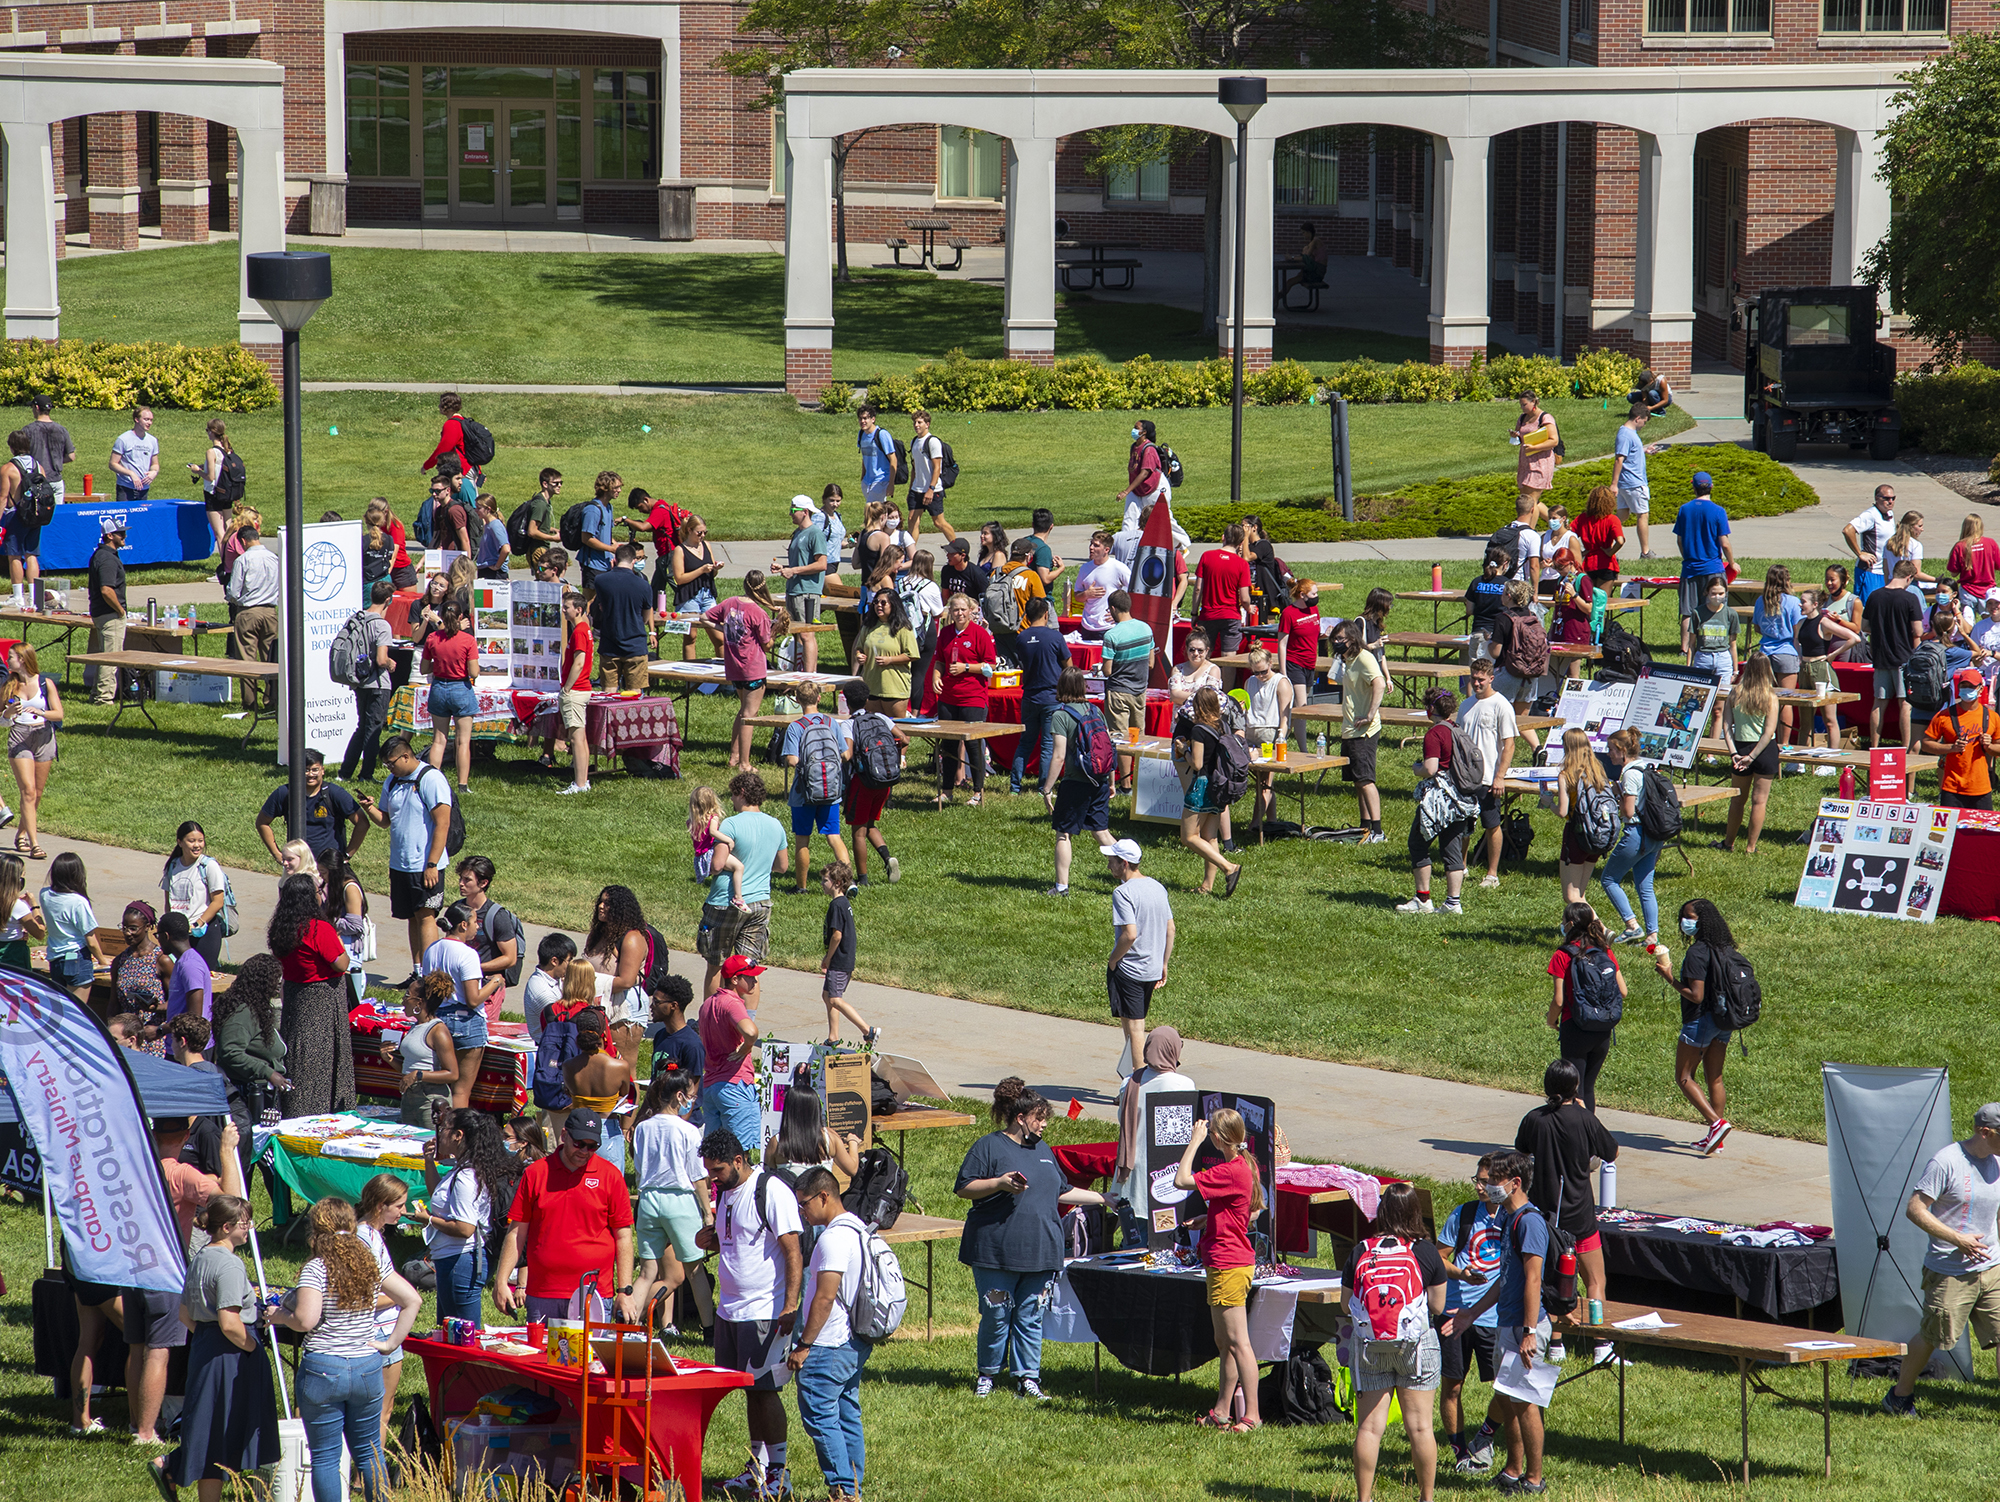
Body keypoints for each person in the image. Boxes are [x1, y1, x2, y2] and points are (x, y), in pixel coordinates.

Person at [955, 1079, 1101, 1400]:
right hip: (996, 1249)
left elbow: (1062, 1190)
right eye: (1040, 1117)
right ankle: (988, 1375)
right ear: (1020, 1118)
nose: (1045, 1123)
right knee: (997, 1313)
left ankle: (1027, 1379)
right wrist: (1000, 1183)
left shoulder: (1044, 1150)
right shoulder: (989, 1146)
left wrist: (1104, 1198)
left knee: (1031, 1314)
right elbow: (964, 1187)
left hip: (1041, 1249)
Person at [271, 1198, 419, 1502]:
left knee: (325, 1456)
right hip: (366, 1364)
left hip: (324, 1366)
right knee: (370, 1451)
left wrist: (278, 1316)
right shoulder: (369, 1261)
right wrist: (390, 1343)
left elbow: (305, 1320)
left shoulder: (316, 1267)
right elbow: (412, 1300)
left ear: (317, 1229)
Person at [147, 1195, 278, 1502]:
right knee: (227, 1427)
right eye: (245, 1223)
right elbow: (230, 1322)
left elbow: (184, 1315)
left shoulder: (201, 1257)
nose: (249, 1229)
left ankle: (190, 1481)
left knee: (212, 1427)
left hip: (205, 1347)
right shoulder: (229, 1264)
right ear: (227, 1226)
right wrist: (253, 1349)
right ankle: (171, 1463)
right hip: (231, 1352)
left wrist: (208, 1337)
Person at [697, 1126, 804, 1498]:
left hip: (765, 1311)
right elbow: (735, 1242)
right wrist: (707, 1238)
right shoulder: (726, 1192)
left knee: (765, 1391)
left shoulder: (770, 1190)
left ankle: (779, 1472)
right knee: (747, 1389)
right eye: (710, 1171)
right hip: (730, 1311)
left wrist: (790, 1306)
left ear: (739, 1161)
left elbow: (793, 1250)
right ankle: (756, 1467)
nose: (713, 1178)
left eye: (718, 1170)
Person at [1881, 1103, 2000, 1417]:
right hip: (1950, 1271)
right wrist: (1957, 1239)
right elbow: (1915, 1209)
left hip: (1992, 1267)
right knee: (1933, 1336)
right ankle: (1898, 1397)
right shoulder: (1946, 1162)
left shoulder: (1998, 1162)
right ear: (1984, 1132)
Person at [1344, 1180, 1447, 1496]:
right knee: (1420, 1428)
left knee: (1370, 1428)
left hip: (1369, 1347)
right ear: (1416, 1212)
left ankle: (1364, 1497)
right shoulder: (1426, 1252)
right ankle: (1426, 1497)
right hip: (1416, 1348)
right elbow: (1438, 1306)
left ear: (1382, 1212)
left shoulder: (1361, 1250)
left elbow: (1345, 1302)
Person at [494, 1107, 637, 1323]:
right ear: (563, 1136)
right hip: (543, 1292)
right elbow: (517, 1232)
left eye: (592, 1146)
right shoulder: (536, 1173)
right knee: (541, 1357)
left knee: (589, 1357)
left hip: (594, 1295)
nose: (584, 1151)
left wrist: (624, 1291)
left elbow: (623, 1236)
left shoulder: (611, 1177)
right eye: (579, 1143)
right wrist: (501, 1280)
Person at [1516, 1059, 1618, 1355]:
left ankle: (1556, 1343)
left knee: (1554, 1279)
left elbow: (1521, 1153)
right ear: (1576, 1087)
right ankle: (1601, 1342)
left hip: (1546, 1217)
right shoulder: (1585, 1119)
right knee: (1595, 1281)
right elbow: (1612, 1152)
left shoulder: (1534, 1119)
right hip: (1581, 1216)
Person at [786, 1166, 876, 1502]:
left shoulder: (834, 1238)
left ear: (824, 1196)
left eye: (805, 1204)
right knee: (847, 1410)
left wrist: (804, 1344)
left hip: (829, 1342)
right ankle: (852, 1485)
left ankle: (843, 1489)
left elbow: (824, 1298)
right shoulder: (857, 1228)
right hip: (852, 1340)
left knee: (819, 1412)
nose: (802, 1212)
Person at [1174, 1111, 1265, 1435]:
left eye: (1210, 1131)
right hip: (1225, 1260)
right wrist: (1208, 1219)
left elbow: (1181, 1180)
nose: (1207, 1134)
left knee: (1239, 1343)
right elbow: (1244, 1209)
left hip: (1229, 1264)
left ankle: (1252, 1415)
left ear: (1219, 1137)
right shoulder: (1244, 1165)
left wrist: (1194, 1142)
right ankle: (1222, 1411)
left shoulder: (1231, 1169)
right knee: (1224, 1341)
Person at [1437, 1154, 1509, 1475]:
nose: (1479, 1187)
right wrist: (1461, 1274)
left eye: (1485, 1181)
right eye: (1476, 1180)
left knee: (1506, 1387)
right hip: (1456, 1312)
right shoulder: (1464, 1214)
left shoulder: (1513, 1218)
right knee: (1452, 1386)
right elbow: (1438, 1259)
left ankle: (1485, 1436)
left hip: (1496, 1318)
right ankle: (1459, 1452)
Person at [1652, 898, 1740, 1155]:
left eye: (1689, 917)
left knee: (1684, 1076)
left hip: (1701, 1021)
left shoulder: (1696, 953)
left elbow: (1695, 995)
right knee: (1715, 1077)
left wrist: (1670, 979)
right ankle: (1716, 1139)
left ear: (1703, 921)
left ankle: (1717, 1124)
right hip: (1725, 1020)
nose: (1685, 921)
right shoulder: (1727, 949)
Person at [360, 737, 454, 972]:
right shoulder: (392, 781)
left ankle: (432, 976)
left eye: (391, 763)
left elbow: (442, 824)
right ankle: (418, 971)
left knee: (425, 916)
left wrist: (432, 864)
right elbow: (385, 821)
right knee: (413, 917)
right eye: (386, 765)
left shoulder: (431, 779)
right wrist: (369, 808)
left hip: (425, 865)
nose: (389, 769)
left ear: (406, 756)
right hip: (401, 864)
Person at [631, 1065, 712, 1335]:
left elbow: (640, 1167)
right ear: (679, 1096)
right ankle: (710, 1329)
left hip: (649, 1199)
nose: (691, 1099)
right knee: (695, 1270)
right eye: (688, 1094)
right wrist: (707, 1212)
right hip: (679, 1200)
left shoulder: (643, 1127)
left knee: (647, 1271)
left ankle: (629, 1324)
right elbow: (697, 1175)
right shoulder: (688, 1131)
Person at [271, 873, 355, 1117]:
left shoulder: (281, 929)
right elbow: (341, 964)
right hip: (322, 1000)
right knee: (321, 1061)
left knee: (298, 1056)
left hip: (296, 996)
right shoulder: (318, 928)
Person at [697, 773, 787, 995]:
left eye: (734, 795)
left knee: (716, 965)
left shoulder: (730, 824)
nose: (733, 800)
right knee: (748, 969)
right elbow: (782, 866)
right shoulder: (776, 825)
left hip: (725, 903)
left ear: (742, 793)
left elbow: (717, 865)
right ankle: (746, 1025)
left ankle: (711, 1022)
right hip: (759, 903)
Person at [1111, 1027, 1192, 1247]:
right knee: (1160, 1246)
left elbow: (1122, 1119)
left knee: (1132, 1239)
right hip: (1164, 1178)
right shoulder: (1180, 1085)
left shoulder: (1129, 1081)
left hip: (1129, 1176)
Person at [1545, 901, 1627, 1113]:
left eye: (1563, 921)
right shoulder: (1605, 952)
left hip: (1575, 1028)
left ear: (1570, 923)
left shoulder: (1563, 955)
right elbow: (1623, 991)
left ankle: (1576, 1139)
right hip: (1603, 1029)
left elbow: (1559, 1000)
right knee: (1588, 1087)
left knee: (1574, 1090)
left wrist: (1551, 1019)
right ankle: (1590, 1137)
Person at [1042, 666, 1117, 897]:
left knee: (1063, 833)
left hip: (1076, 782)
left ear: (1061, 687)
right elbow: (1107, 748)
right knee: (1102, 832)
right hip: (1100, 779)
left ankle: (1062, 887)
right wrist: (1111, 781)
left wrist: (1047, 788)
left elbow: (1059, 755)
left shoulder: (1061, 715)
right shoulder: (1095, 710)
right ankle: (1131, 874)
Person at [212, 954, 288, 1172]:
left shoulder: (257, 1007)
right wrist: (267, 1072)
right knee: (257, 1160)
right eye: (276, 978)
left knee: (269, 1164)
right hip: (249, 1096)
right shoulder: (243, 1013)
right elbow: (230, 1051)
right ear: (262, 980)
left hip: (263, 1093)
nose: (279, 983)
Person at [1104, 837, 1174, 1074]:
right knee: (1130, 1024)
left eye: (1111, 861)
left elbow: (1129, 934)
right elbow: (1170, 929)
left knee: (1135, 1028)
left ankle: (1138, 1085)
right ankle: (1129, 1081)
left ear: (1124, 863)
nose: (1108, 866)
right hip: (1152, 968)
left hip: (1130, 969)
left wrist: (1113, 959)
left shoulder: (1122, 893)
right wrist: (1163, 963)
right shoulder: (1158, 887)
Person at [703, 572, 783, 772]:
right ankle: (744, 763)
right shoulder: (758, 613)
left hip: (735, 669)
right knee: (750, 715)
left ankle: (734, 756)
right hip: (753, 670)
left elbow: (704, 617)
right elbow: (767, 645)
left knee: (742, 712)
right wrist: (776, 629)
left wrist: (725, 630)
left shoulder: (730, 603)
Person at [422, 900, 500, 1102]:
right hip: (466, 1024)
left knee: (439, 1087)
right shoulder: (468, 954)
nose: (477, 926)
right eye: (475, 922)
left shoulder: (432, 949)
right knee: (460, 1092)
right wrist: (494, 983)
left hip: (436, 1020)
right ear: (463, 925)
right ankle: (457, 1133)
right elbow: (473, 1000)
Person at [783, 682, 855, 893]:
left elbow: (791, 759)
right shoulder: (831, 723)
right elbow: (845, 755)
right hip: (831, 789)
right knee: (834, 837)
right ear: (819, 698)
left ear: (797, 701)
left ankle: (801, 887)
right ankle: (848, 883)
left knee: (802, 840)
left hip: (804, 792)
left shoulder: (796, 727)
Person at [929, 591, 996, 808]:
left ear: (970, 611)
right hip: (948, 697)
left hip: (973, 697)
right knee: (948, 744)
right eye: (955, 609)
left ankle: (978, 791)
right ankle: (947, 790)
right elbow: (939, 660)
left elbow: (991, 667)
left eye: (963, 609)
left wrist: (967, 667)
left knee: (973, 744)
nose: (959, 613)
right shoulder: (946, 633)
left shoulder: (980, 634)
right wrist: (936, 676)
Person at [1457, 659, 1519, 890]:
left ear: (1492, 678)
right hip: (1464, 777)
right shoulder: (1465, 705)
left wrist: (1499, 777)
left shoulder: (1501, 705)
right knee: (1463, 823)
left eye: (1481, 679)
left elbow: (1509, 744)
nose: (1476, 683)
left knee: (1491, 824)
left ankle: (1492, 874)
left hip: (1488, 778)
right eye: (1473, 678)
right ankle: (1460, 866)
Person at [1596, 729, 1662, 944]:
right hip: (1654, 835)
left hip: (1636, 834)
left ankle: (1631, 925)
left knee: (1608, 879)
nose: (1609, 754)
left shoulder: (1629, 774)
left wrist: (1619, 798)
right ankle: (1653, 936)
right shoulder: (1646, 767)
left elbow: (1629, 812)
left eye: (1612, 750)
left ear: (1623, 751)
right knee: (1645, 886)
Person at [1178, 686, 1242, 897]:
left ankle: (1228, 867)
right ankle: (1207, 886)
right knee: (1210, 836)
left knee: (1188, 837)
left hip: (1202, 785)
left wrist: (1183, 750)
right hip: (1219, 785)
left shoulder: (1198, 730)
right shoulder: (1223, 725)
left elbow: (1196, 764)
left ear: (1197, 706)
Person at [700, 954, 767, 1152]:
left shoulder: (707, 1004)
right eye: (750, 977)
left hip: (711, 1087)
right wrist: (747, 1046)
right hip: (734, 1086)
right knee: (740, 1154)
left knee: (715, 1154)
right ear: (735, 980)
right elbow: (751, 1031)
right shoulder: (733, 1003)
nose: (755, 980)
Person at [1716, 654, 1780, 855]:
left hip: (1740, 748)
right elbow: (1768, 732)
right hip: (1764, 751)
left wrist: (1734, 752)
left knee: (1737, 800)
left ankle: (1728, 843)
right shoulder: (1770, 697)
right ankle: (1751, 847)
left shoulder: (1735, 693)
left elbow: (1726, 725)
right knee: (1759, 801)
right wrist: (1752, 757)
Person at [256, 750, 365, 867]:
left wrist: (347, 855)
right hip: (298, 865)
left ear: (322, 770)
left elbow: (362, 823)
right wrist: (277, 855)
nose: (310, 774)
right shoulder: (284, 793)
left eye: (314, 769)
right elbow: (262, 823)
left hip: (329, 866)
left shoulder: (335, 793)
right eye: (305, 770)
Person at [339, 580, 397, 785]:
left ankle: (345, 772)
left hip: (359, 681)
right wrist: (391, 664)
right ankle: (366, 774)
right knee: (373, 730)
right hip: (377, 684)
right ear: (388, 600)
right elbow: (381, 659)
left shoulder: (356, 618)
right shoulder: (381, 625)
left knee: (362, 727)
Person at [562, 1007, 635, 1170]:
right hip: (607, 1131)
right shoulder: (620, 1066)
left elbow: (568, 1091)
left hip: (577, 1132)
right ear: (604, 1032)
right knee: (610, 1188)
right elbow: (625, 1095)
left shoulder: (568, 1066)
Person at [1008, 596, 1067, 794]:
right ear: (1046, 614)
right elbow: (1069, 666)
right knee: (1047, 745)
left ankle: (1015, 787)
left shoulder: (1021, 637)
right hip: (1051, 697)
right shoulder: (1055, 637)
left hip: (1029, 696)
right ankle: (1044, 787)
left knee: (1025, 743)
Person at [1865, 562, 1927, 750]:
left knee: (1879, 704)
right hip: (1904, 659)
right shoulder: (1909, 599)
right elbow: (1918, 630)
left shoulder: (1874, 596)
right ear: (1909, 578)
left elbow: (1865, 627)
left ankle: (1874, 747)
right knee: (1905, 705)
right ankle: (1906, 748)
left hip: (1880, 657)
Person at [1338, 618, 1389, 842]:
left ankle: (1378, 831)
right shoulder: (1347, 659)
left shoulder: (1365, 658)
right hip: (1350, 728)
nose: (1337, 642)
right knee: (1358, 781)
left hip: (1364, 731)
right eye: (1335, 639)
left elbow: (1379, 683)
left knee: (1366, 780)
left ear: (1352, 639)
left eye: (1341, 639)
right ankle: (1364, 826)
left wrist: (1370, 715)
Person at [420, 597, 479, 793]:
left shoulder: (432, 638)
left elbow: (424, 668)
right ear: (461, 616)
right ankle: (462, 785)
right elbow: (474, 672)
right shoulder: (468, 640)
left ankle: (433, 784)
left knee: (439, 739)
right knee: (463, 742)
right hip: (461, 688)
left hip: (439, 688)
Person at [7, 642, 58, 858]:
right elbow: (2, 721)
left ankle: (21, 833)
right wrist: (8, 712)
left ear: (22, 659)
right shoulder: (9, 685)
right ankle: (35, 844)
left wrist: (41, 712)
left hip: (44, 737)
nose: (7, 660)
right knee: (27, 791)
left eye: (10, 657)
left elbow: (59, 714)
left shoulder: (45, 684)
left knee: (36, 794)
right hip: (20, 737)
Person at [1551, 727, 1614, 904]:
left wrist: (1549, 804)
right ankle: (1575, 928)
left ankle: (1602, 929)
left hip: (1576, 833)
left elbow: (1563, 812)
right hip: (1597, 833)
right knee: (1580, 894)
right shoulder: (1597, 771)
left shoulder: (1566, 775)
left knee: (1571, 896)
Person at [1101, 591, 1156, 793]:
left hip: (1118, 692)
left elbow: (1107, 670)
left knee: (1121, 739)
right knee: (1137, 738)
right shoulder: (1146, 628)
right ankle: (1139, 782)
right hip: (1140, 690)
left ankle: (1125, 785)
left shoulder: (1111, 635)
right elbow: (1151, 663)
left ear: (1113, 609)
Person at [543, 588, 595, 794]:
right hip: (580, 688)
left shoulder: (581, 631)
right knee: (579, 738)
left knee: (576, 738)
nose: (563, 611)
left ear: (578, 610)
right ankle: (582, 782)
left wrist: (567, 687)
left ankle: (580, 784)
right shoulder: (584, 629)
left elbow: (579, 662)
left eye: (566, 608)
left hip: (576, 690)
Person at [818, 862, 876, 1045]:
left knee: (835, 999)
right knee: (827, 996)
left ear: (837, 882)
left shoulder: (837, 905)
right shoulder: (843, 903)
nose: (822, 883)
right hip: (843, 958)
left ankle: (868, 1030)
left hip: (840, 960)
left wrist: (828, 957)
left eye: (825, 880)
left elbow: (837, 935)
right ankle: (833, 1037)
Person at [456, 854, 520, 1017]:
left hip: (486, 989)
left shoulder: (497, 916)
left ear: (483, 883)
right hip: (458, 985)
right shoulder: (457, 909)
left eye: (467, 880)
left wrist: (475, 968)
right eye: (461, 878)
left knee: (483, 1035)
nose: (461, 883)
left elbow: (510, 958)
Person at [1797, 588, 1860, 753]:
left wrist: (1832, 655)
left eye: (1803, 601)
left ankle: (1831, 759)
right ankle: (1800, 760)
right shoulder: (1801, 623)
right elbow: (1797, 643)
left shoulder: (1824, 622)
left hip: (1821, 671)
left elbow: (1854, 638)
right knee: (1805, 721)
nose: (1800, 604)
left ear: (1815, 605)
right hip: (1804, 670)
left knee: (1829, 719)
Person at [225, 521, 280, 710]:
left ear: (243, 541)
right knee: (271, 658)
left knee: (247, 659)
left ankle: (250, 702)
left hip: (248, 613)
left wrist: (230, 596)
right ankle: (272, 700)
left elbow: (234, 591)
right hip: (271, 612)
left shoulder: (243, 560)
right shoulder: (274, 558)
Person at [1925, 668, 1997, 810]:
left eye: (1971, 686)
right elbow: (1926, 744)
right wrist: (1951, 748)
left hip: (1981, 787)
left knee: (1982, 831)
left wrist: (1989, 747)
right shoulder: (1944, 716)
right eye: (1964, 686)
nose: (1967, 690)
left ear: (1980, 689)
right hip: (1952, 787)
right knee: (1949, 831)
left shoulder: (1991, 716)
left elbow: (1998, 747)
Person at [1242, 648, 1296, 835]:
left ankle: (1254, 826)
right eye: (1256, 672)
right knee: (1262, 783)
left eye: (1263, 671)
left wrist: (1281, 737)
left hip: (1271, 735)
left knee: (1264, 784)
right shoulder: (1250, 682)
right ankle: (1271, 821)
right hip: (1251, 733)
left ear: (1271, 663)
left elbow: (1285, 716)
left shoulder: (1280, 682)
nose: (1260, 676)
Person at [395, 972, 460, 1125]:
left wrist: (419, 1075)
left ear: (419, 1002)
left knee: (431, 1146)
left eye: (407, 995)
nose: (403, 1000)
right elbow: (409, 1070)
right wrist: (389, 1058)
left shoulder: (438, 1031)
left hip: (430, 1100)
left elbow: (453, 1074)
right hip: (409, 1097)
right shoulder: (416, 1026)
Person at [1672, 470, 1735, 623]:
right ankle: (1713, 644)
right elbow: (1725, 544)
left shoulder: (1684, 509)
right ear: (1711, 487)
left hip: (1690, 568)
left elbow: (1679, 541)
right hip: (1713, 568)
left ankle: (1685, 647)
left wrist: (1687, 557)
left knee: (1688, 612)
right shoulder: (1719, 511)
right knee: (1715, 609)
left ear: (1693, 487)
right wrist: (1732, 563)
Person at [1750, 564, 1803, 742]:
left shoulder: (1760, 601)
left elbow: (1757, 627)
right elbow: (1798, 630)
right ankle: (1784, 743)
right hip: (1787, 651)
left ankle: (1764, 739)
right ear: (1787, 580)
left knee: (1764, 699)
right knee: (1786, 701)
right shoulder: (1793, 601)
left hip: (1765, 651)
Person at [592, 542, 655, 692]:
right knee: (634, 694)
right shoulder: (643, 585)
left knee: (608, 693)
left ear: (614, 560)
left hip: (609, 645)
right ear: (634, 561)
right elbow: (645, 617)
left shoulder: (601, 581)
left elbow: (600, 606)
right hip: (635, 646)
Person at [39, 850, 101, 1000]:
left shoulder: (45, 895)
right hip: (77, 958)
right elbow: (91, 941)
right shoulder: (78, 902)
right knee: (77, 1013)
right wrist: (103, 960)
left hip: (55, 960)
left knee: (62, 1010)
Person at [778, 496, 829, 674]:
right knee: (796, 634)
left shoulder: (815, 533)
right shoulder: (798, 533)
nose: (790, 514)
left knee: (807, 634)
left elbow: (822, 564)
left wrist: (794, 571)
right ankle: (799, 672)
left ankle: (809, 677)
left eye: (793, 510)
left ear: (805, 512)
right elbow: (799, 563)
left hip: (807, 593)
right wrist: (784, 568)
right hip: (793, 590)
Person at [110, 899, 168, 1053]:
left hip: (152, 1037)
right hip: (126, 1040)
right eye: (124, 928)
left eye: (133, 928)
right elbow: (114, 1003)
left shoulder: (161, 960)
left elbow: (177, 1003)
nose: (127, 933)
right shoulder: (119, 961)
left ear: (148, 927)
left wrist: (156, 1008)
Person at [84, 514, 128, 705]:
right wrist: (120, 611)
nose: (124, 537)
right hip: (110, 614)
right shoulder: (107, 559)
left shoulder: (101, 555)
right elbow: (106, 590)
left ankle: (96, 693)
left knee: (105, 656)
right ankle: (104, 698)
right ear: (110, 536)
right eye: (121, 534)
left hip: (101, 613)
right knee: (111, 658)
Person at [1610, 402, 1663, 558]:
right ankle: (1645, 552)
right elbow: (1619, 459)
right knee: (1642, 514)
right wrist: (1614, 484)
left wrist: (1645, 450)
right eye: (1644, 422)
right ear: (1638, 418)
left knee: (1622, 516)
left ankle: (1605, 545)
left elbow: (1629, 454)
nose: (1644, 425)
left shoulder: (1627, 433)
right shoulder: (1626, 434)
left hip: (1628, 483)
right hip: (1633, 483)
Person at [859, 587, 919, 720]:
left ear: (893, 605)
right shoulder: (868, 626)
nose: (878, 606)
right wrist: (859, 655)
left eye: (883, 603)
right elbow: (859, 648)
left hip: (894, 687)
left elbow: (912, 654)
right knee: (875, 728)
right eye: (876, 602)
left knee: (898, 730)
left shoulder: (903, 628)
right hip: (872, 685)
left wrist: (890, 660)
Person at [1194, 524, 1253, 656]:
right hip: (1231, 616)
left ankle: (1205, 677)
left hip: (1208, 614)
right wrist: (1249, 608)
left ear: (1223, 537)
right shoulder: (1242, 564)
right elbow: (1244, 598)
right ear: (1241, 543)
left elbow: (1198, 589)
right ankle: (1227, 678)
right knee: (1229, 658)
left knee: (1203, 655)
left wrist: (1194, 613)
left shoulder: (1206, 556)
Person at [670, 516, 723, 661]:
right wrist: (701, 570)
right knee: (691, 637)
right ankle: (690, 679)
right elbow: (679, 578)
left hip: (707, 594)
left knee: (720, 637)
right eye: (699, 533)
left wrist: (715, 568)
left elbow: (711, 572)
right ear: (689, 530)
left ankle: (724, 678)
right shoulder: (680, 550)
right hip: (689, 597)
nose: (703, 536)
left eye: (705, 532)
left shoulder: (706, 545)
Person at [1684, 575, 1739, 693]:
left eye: (1721, 594)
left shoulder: (1731, 614)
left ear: (1726, 593)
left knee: (1721, 702)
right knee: (1699, 697)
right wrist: (1689, 667)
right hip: (1703, 658)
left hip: (1723, 659)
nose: (1717, 597)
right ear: (1707, 593)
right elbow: (1691, 644)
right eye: (1713, 593)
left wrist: (1735, 670)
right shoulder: (1698, 613)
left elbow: (1733, 644)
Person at [646, 969, 704, 1079]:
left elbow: (693, 1088)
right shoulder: (660, 1036)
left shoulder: (691, 1045)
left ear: (673, 1006)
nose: (651, 1006)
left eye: (656, 1002)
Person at [1844, 483, 1898, 601]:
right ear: (1877, 498)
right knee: (1867, 609)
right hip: (1870, 572)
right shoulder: (1870, 515)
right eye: (1886, 498)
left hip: (1885, 571)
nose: (1890, 501)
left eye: (1893, 498)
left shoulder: (1890, 514)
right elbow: (1848, 530)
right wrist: (1860, 553)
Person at [906, 408, 952, 544]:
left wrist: (931, 489)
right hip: (917, 489)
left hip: (933, 490)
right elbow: (914, 468)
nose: (916, 425)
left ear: (927, 424)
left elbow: (937, 468)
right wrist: (910, 490)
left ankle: (958, 549)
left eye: (919, 422)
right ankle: (910, 554)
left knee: (938, 522)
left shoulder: (932, 442)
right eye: (915, 422)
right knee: (912, 520)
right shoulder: (914, 442)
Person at [1075, 529, 1130, 642]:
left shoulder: (1118, 567)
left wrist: (1121, 612)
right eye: (1091, 544)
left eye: (1096, 545)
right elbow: (1077, 596)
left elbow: (1135, 590)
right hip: (1087, 626)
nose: (1091, 548)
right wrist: (1086, 594)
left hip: (1109, 626)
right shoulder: (1085, 569)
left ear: (1106, 550)